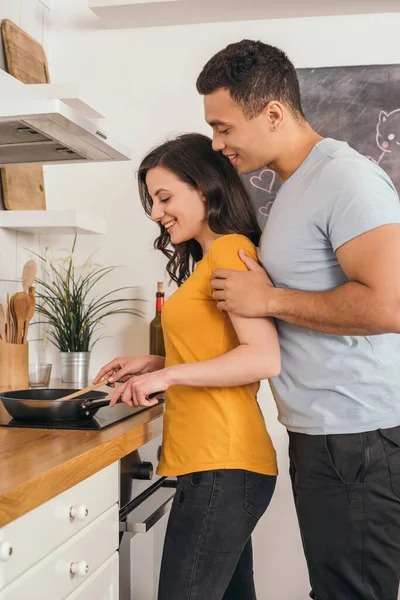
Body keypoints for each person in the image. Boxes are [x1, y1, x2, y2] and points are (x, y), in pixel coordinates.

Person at [196, 39, 400, 600]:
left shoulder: (344, 178)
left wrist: (270, 300)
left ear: (274, 113)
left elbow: (390, 305)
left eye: (224, 127)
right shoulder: (294, 187)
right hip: (327, 432)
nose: (217, 144)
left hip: (357, 433)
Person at [94, 132, 280, 600]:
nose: (156, 213)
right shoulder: (207, 260)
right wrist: (155, 361)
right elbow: (221, 346)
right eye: (153, 201)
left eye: (164, 197)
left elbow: (262, 356)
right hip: (217, 463)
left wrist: (167, 374)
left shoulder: (229, 250)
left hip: (224, 461)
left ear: (204, 187)